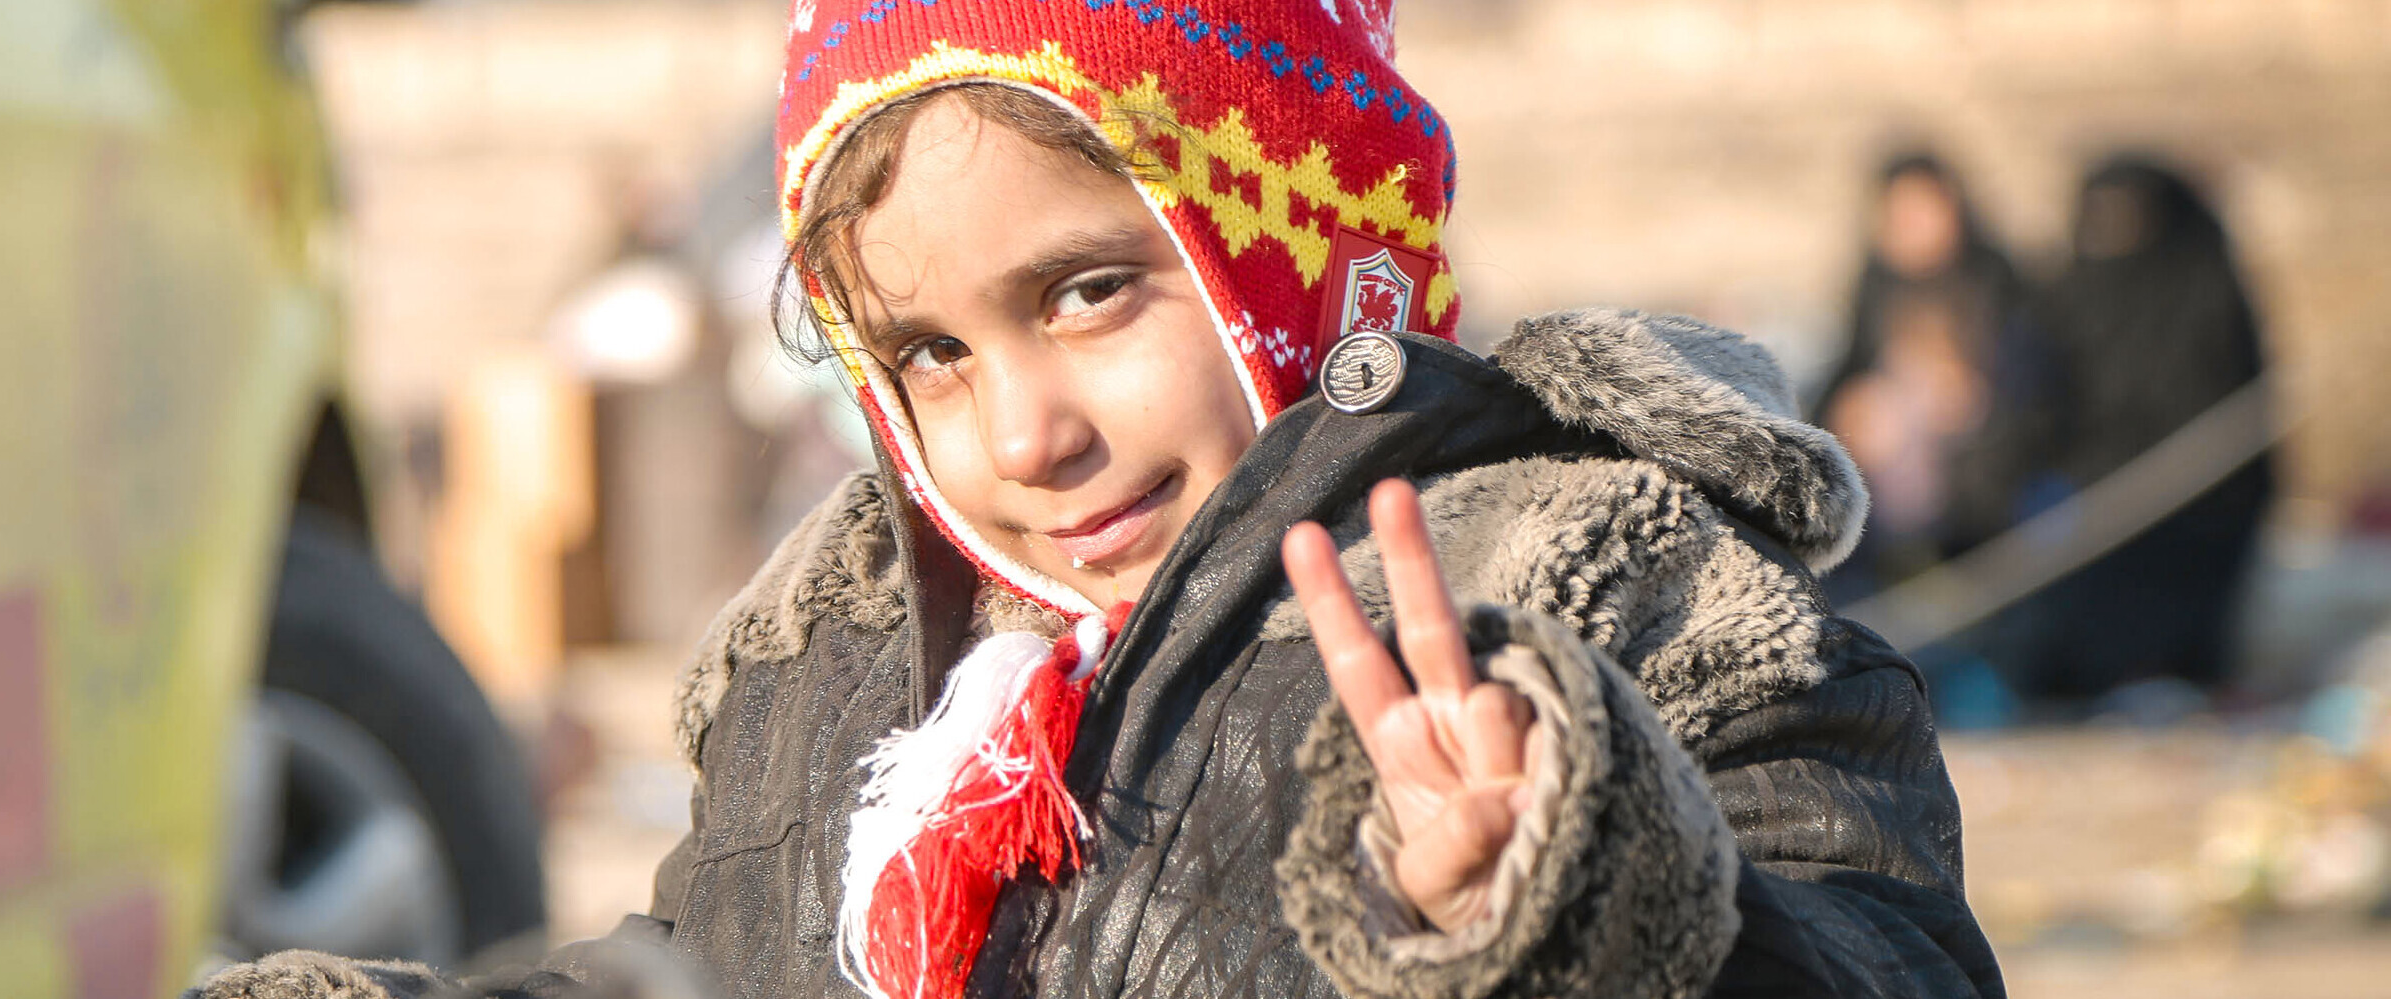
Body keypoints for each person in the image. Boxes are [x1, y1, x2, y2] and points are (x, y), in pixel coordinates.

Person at [196, 1, 1998, 996]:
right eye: (928, 354)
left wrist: (1579, 886)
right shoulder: (855, 650)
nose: (1020, 433)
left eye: (1083, 291)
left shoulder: (1585, 574)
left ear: (1295, 237)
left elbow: (1882, 951)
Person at [2005, 156, 2275, 703]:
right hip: (2091, 497)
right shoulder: (2066, 296)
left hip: (2201, 496)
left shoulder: (2205, 292)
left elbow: (2231, 405)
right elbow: (2035, 405)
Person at [1813, 153, 2056, 604]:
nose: (1913, 226)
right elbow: (1847, 375)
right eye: (1899, 214)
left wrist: (1973, 411)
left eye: (1924, 210)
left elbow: (2038, 402)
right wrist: (1848, 420)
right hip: (1886, 510)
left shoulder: (2000, 288)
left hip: (1986, 508)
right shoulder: (1875, 289)